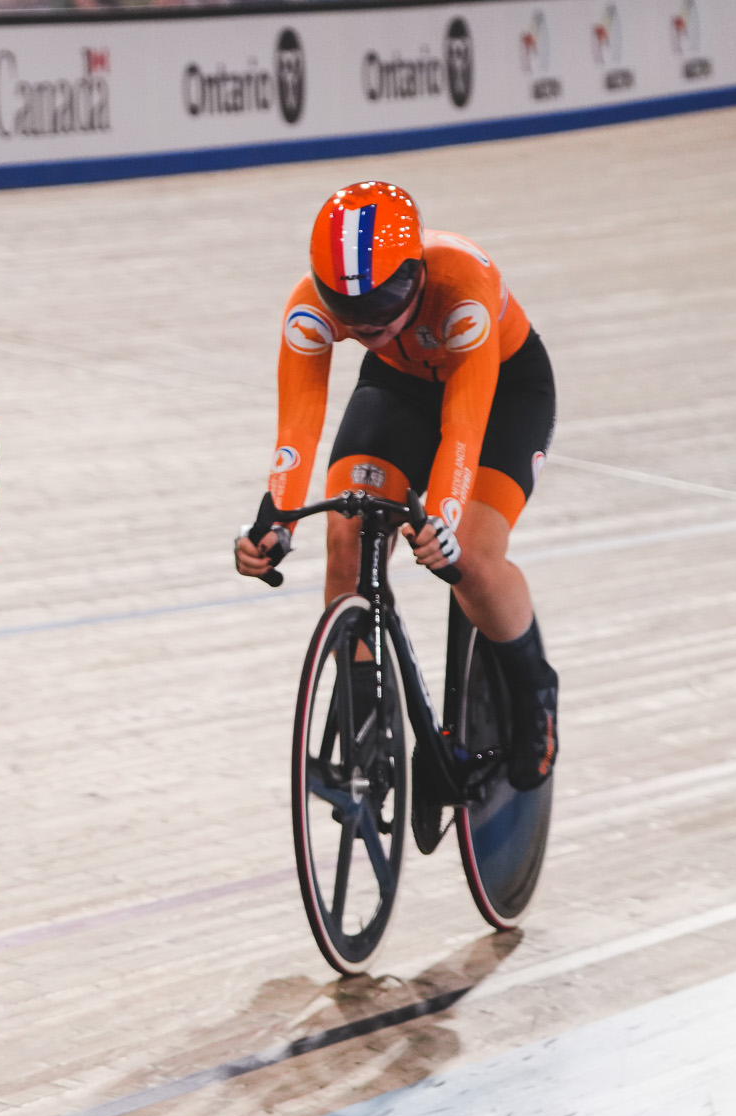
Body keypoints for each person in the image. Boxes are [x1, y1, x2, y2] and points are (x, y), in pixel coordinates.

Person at [236, 181, 558, 790]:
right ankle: (365, 724)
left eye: (386, 299)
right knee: (346, 539)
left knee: (472, 557)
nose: (367, 321)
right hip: (399, 387)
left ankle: (535, 690)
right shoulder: (309, 307)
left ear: (414, 272)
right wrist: (273, 521)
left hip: (500, 390)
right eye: (348, 308)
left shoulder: (462, 288)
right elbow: (297, 428)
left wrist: (439, 518)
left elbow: (463, 429)